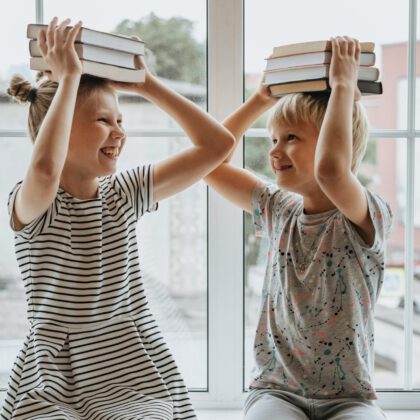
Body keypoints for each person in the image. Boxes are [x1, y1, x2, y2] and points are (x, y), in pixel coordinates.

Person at [2, 17, 234, 420]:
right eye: (103, 121)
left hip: (130, 373)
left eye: (121, 121)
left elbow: (218, 145)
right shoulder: (35, 203)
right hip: (53, 377)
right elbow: (44, 170)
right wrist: (70, 77)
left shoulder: (125, 193)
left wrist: (147, 85)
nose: (119, 133)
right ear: (57, 133)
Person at [205, 37, 392, 419]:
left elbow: (331, 171)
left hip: (349, 397)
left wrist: (343, 87)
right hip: (277, 391)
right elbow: (209, 163)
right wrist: (260, 100)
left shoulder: (365, 212)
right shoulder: (278, 208)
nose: (274, 151)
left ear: (333, 143)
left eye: (291, 138)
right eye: (274, 138)